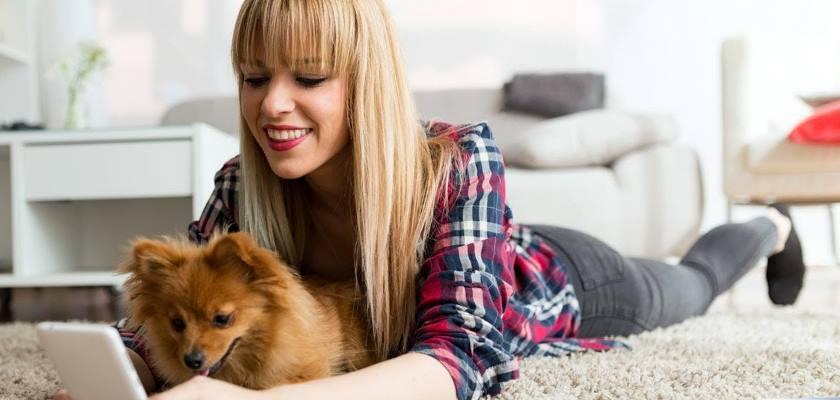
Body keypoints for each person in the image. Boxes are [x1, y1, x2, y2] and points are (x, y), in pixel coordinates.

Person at [52, 0, 807, 399]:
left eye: (308, 77)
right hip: (503, 258)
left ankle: (769, 227)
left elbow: (459, 360)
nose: (273, 103)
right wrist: (119, 370)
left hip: (563, 281)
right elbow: (162, 316)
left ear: (364, 82)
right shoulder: (239, 188)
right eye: (254, 78)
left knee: (691, 285)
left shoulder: (457, 160)